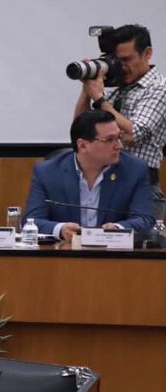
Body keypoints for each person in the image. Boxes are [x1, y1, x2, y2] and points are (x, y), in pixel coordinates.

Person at [73, 24, 166, 220]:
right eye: (117, 60)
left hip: (140, 187)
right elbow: (80, 130)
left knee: (139, 240)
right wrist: (87, 89)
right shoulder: (115, 89)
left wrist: (100, 99)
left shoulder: (159, 88)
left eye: (127, 59)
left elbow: (134, 134)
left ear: (147, 53)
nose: (121, 67)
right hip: (104, 184)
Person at [26, 108, 155, 241]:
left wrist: (118, 229)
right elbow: (32, 221)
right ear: (83, 146)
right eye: (109, 140)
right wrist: (61, 229)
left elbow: (145, 219)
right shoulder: (47, 172)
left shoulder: (134, 169)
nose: (119, 145)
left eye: (119, 137)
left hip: (113, 251)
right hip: (65, 251)